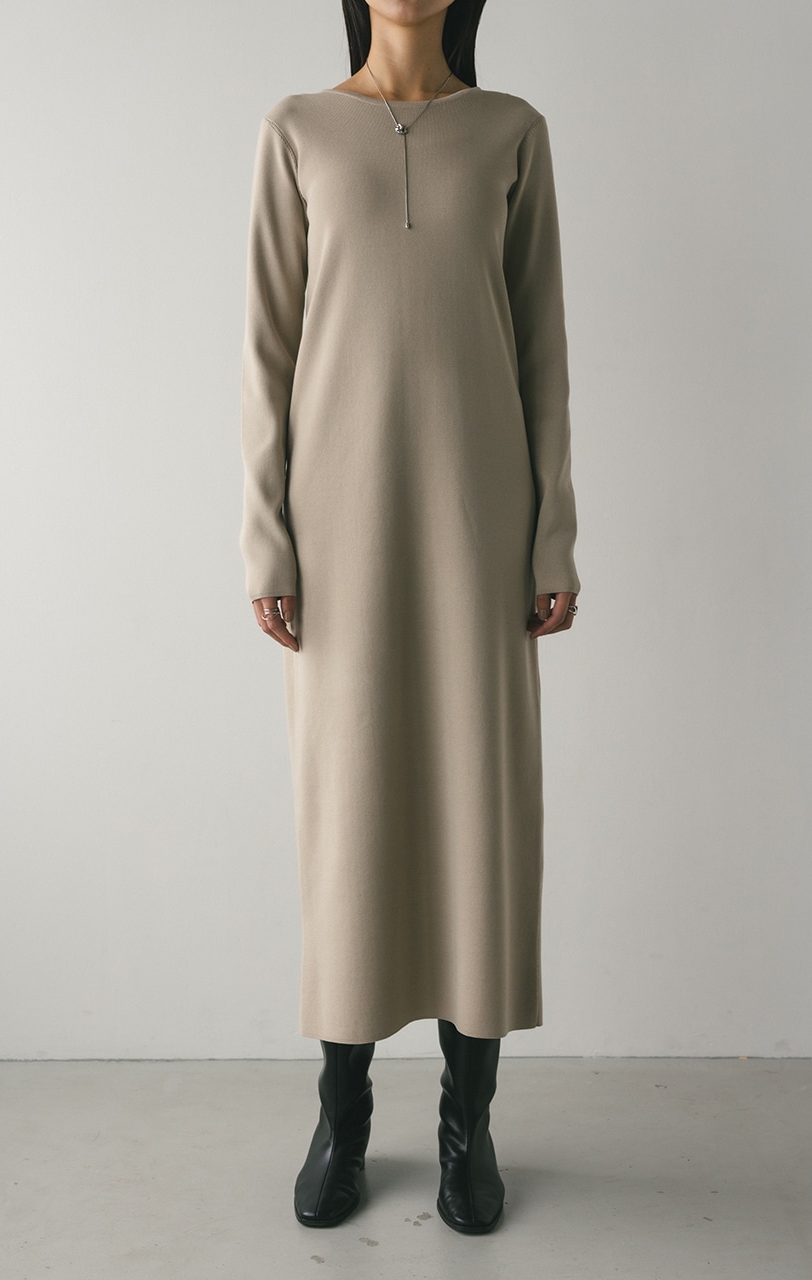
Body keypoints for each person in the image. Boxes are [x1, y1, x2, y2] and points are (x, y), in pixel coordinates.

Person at [238, 0, 581, 1235]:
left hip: (479, 520)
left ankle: (465, 1122)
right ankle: (342, 1112)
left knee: (481, 813)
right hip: (337, 529)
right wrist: (267, 535)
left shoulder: (511, 131)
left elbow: (541, 348)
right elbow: (266, 347)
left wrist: (552, 532)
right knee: (349, 813)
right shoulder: (295, 129)